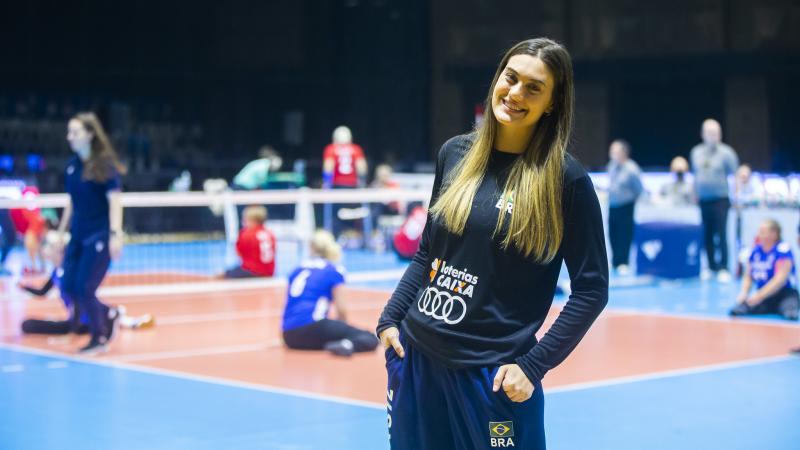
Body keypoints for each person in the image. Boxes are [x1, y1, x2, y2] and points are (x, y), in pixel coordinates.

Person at [376, 38, 608, 450]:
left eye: (533, 88)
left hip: (493, 377)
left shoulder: (564, 181)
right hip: (418, 360)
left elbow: (591, 289)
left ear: (552, 103)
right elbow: (429, 250)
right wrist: (390, 318)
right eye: (511, 78)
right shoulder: (455, 154)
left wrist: (533, 367)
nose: (515, 93)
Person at [57, 112, 126, 354]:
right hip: (77, 234)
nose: (70, 137)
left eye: (75, 132)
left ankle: (99, 337)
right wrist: (59, 233)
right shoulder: (73, 166)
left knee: (85, 288)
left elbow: (115, 202)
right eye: (69, 132)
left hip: (98, 235)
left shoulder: (104, 166)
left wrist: (115, 234)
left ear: (89, 134)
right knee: (68, 286)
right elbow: (72, 202)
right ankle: (108, 313)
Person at [281, 229, 379, 357]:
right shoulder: (334, 270)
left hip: (289, 335)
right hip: (314, 326)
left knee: (330, 331)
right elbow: (341, 309)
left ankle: (337, 341)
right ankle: (346, 344)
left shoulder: (297, 269)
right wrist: (342, 329)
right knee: (369, 338)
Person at [690, 118, 739, 283]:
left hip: (721, 199)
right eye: (710, 132)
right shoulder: (696, 152)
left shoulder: (727, 153)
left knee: (721, 233)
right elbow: (695, 175)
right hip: (704, 199)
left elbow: (736, 176)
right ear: (703, 134)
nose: (714, 136)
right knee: (707, 234)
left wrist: (737, 197)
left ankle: (723, 267)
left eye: (716, 132)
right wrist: (694, 193)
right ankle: (710, 266)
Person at [729, 219, 798, 320]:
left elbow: (780, 279)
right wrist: (744, 293)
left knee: (790, 312)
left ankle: (787, 308)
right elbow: (748, 276)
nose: (759, 235)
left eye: (762, 232)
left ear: (773, 234)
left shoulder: (783, 250)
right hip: (764, 296)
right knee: (738, 309)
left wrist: (759, 296)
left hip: (784, 294)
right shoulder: (755, 251)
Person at [322, 126, 368, 238]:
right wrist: (362, 183)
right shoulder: (356, 149)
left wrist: (326, 183)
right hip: (353, 188)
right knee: (355, 212)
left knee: (335, 215)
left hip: (337, 188)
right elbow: (362, 168)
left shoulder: (331, 149)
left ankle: (334, 236)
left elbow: (328, 168)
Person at [606, 139, 643, 275]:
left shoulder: (632, 169)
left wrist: (630, 201)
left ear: (623, 153)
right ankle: (615, 261)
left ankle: (624, 262)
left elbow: (639, 189)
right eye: (611, 151)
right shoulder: (611, 166)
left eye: (615, 151)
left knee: (624, 234)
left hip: (626, 206)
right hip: (613, 205)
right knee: (612, 234)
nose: (612, 154)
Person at [222, 205, 276, 279]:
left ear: (250, 219)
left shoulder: (246, 233)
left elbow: (239, 253)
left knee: (222, 276)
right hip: (269, 273)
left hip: (252, 272)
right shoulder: (270, 234)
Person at [9, 186, 47, 274]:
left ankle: (37, 267)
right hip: (31, 231)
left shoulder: (36, 211)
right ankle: (33, 267)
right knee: (32, 249)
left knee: (37, 249)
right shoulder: (23, 209)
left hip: (34, 230)